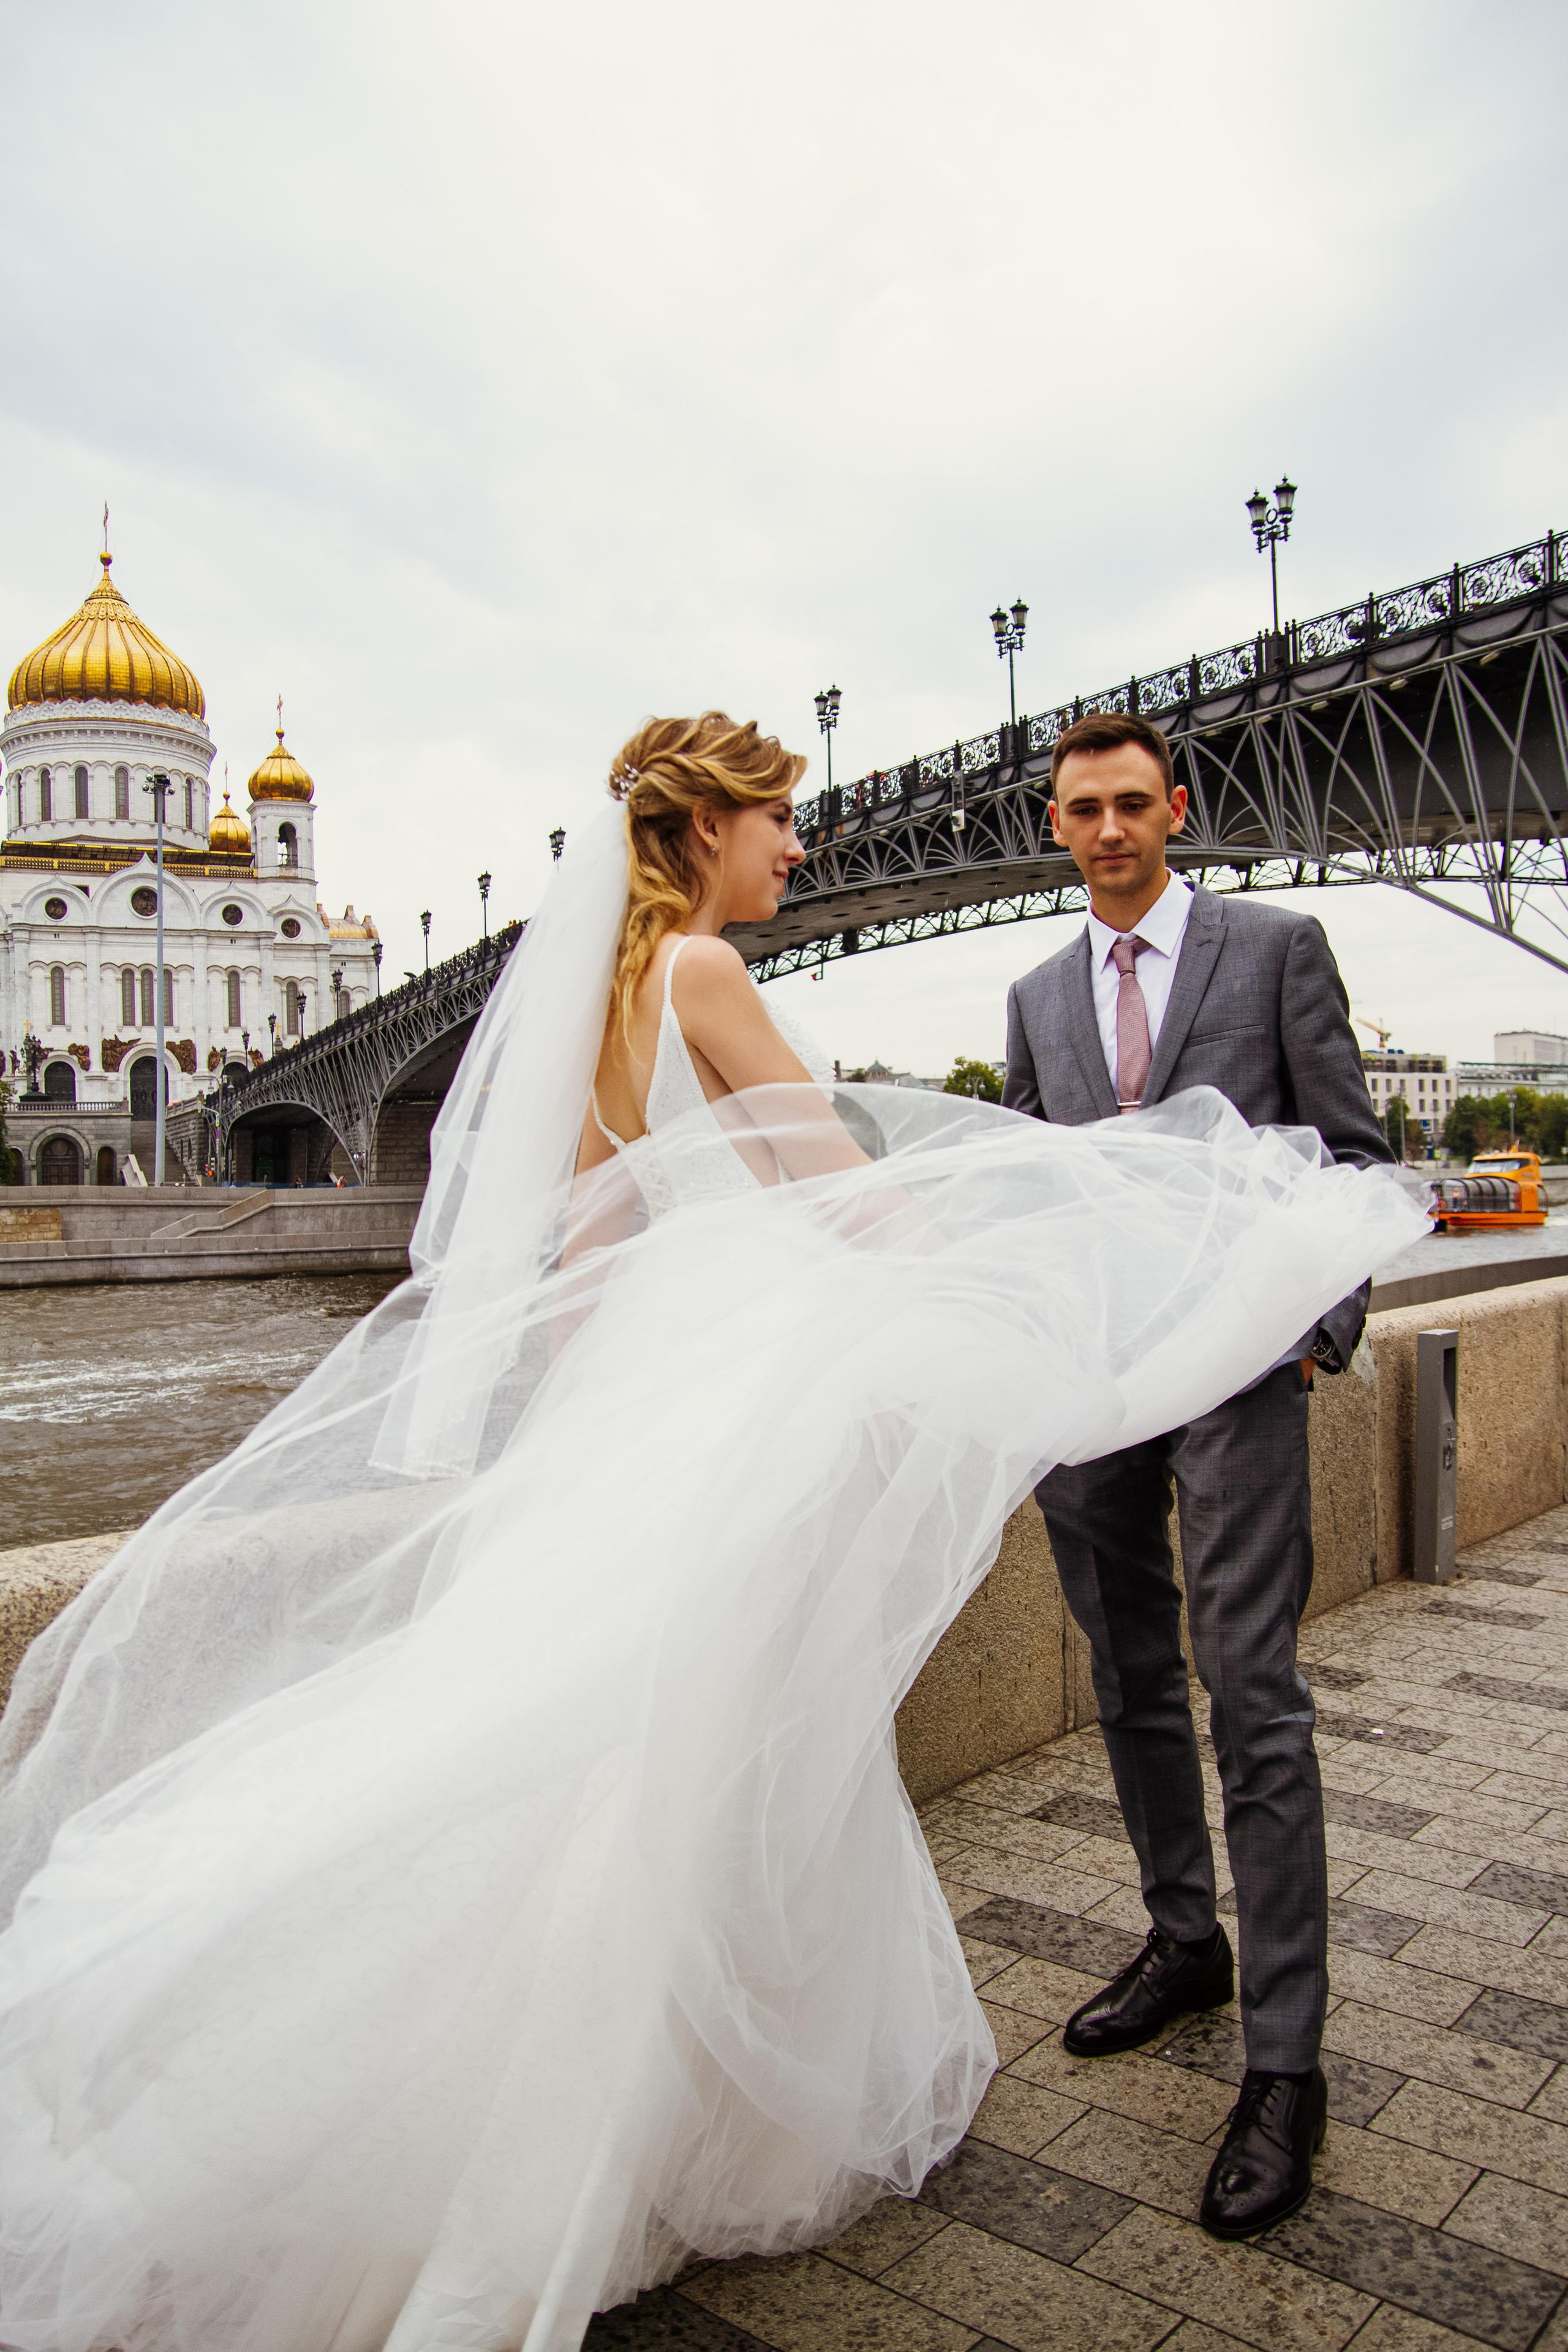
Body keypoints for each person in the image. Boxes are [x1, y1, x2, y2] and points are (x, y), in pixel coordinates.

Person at [0, 715, 1422, 2352]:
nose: (799, 852)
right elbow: (856, 1202)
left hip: (657, 1413)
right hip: (732, 1417)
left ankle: (594, 2088)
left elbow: (595, 1236)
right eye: (778, 824)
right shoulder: (707, 981)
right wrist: (1021, 1294)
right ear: (707, 834)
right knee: (695, 1772)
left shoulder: (609, 1001)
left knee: (627, 1764)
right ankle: (617, 2125)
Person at [1003, 708, 1395, 2240]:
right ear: (1054, 826)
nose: (1107, 830)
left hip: (1237, 1376)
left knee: (1252, 1693)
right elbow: (1033, 1188)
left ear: (1175, 807)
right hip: (1094, 1387)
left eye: (1129, 805)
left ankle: (1284, 2064)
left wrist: (1320, 1324)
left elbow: (1354, 1159)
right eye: (1079, 810)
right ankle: (1183, 1941)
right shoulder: (1035, 993)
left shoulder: (1275, 947)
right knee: (1127, 1678)